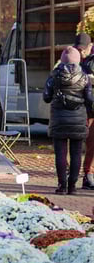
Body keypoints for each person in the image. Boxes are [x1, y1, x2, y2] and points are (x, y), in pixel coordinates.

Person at [43, 46, 94, 195]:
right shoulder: (85, 78)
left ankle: (62, 186)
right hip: (78, 119)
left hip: (59, 120)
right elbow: (90, 100)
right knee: (76, 153)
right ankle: (72, 186)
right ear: (78, 60)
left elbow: (46, 98)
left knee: (60, 153)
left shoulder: (54, 76)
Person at [75, 32, 94, 189]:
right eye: (78, 49)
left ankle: (87, 175)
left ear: (90, 46)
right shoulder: (76, 59)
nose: (81, 52)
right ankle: (86, 175)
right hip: (85, 109)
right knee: (89, 143)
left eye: (83, 50)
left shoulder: (90, 61)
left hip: (90, 108)